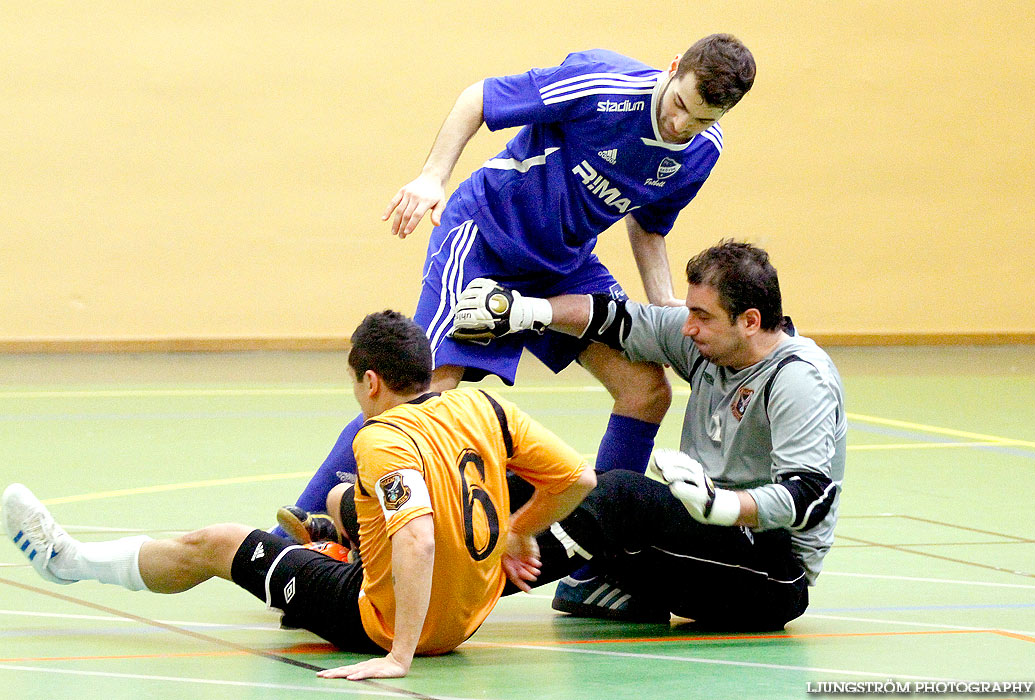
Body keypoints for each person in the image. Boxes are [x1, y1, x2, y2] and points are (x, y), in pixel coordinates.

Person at [285, 33, 757, 527]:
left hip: (562, 264)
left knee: (647, 389)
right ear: (673, 66)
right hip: (486, 238)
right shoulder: (601, 84)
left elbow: (650, 222)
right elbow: (477, 99)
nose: (681, 125)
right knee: (422, 394)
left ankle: (600, 548)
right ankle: (305, 526)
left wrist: (661, 299)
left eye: (702, 118)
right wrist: (432, 177)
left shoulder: (702, 151)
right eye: (680, 104)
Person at [3, 310, 596, 680]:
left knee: (218, 544)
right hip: (471, 613)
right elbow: (579, 480)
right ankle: (338, 540)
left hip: (390, 624)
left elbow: (416, 537)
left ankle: (67, 562)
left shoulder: (382, 437)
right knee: (346, 502)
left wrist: (400, 656)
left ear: (370, 382)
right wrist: (519, 529)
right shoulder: (481, 404)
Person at [451, 240, 846, 628]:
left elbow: (811, 496)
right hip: (706, 543)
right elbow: (620, 319)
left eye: (702, 316)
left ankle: (450, 596)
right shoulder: (714, 345)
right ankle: (420, 554)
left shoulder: (797, 377)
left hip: (772, 577)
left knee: (622, 495)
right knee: (564, 481)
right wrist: (526, 311)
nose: (688, 327)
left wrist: (720, 505)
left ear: (750, 321)